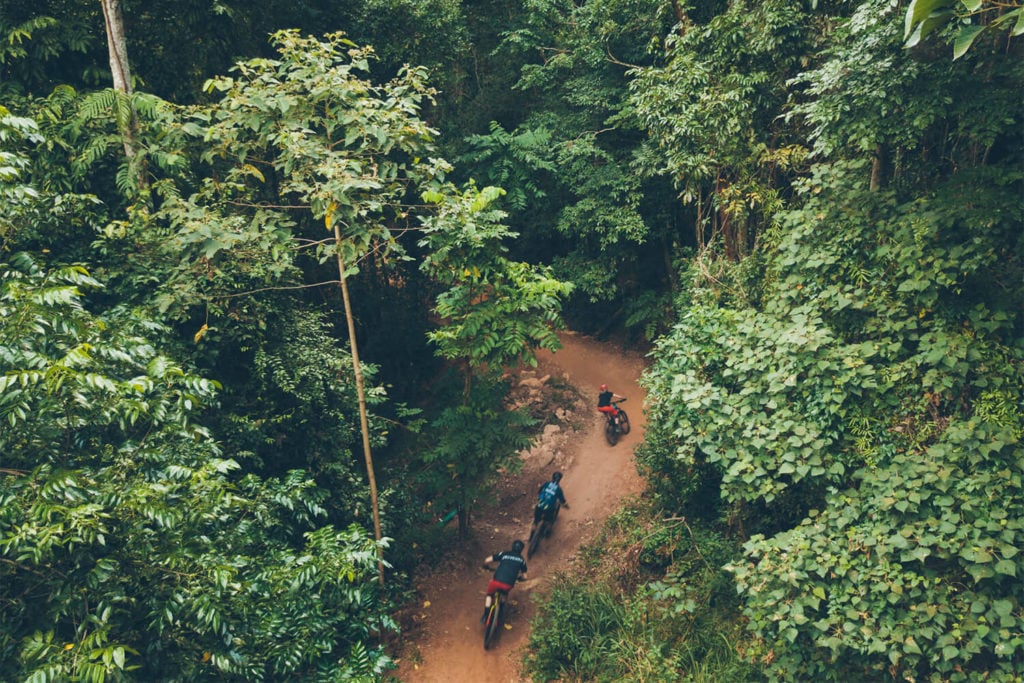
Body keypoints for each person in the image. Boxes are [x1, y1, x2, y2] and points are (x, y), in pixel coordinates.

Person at [481, 540, 528, 623]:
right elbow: (525, 577)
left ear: (512, 547)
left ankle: (485, 614)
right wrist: (519, 579)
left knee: (489, 595)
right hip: (508, 585)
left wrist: (485, 566)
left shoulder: (504, 554)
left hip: (496, 582)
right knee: (505, 594)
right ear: (521, 550)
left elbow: (487, 560)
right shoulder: (522, 560)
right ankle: (501, 610)